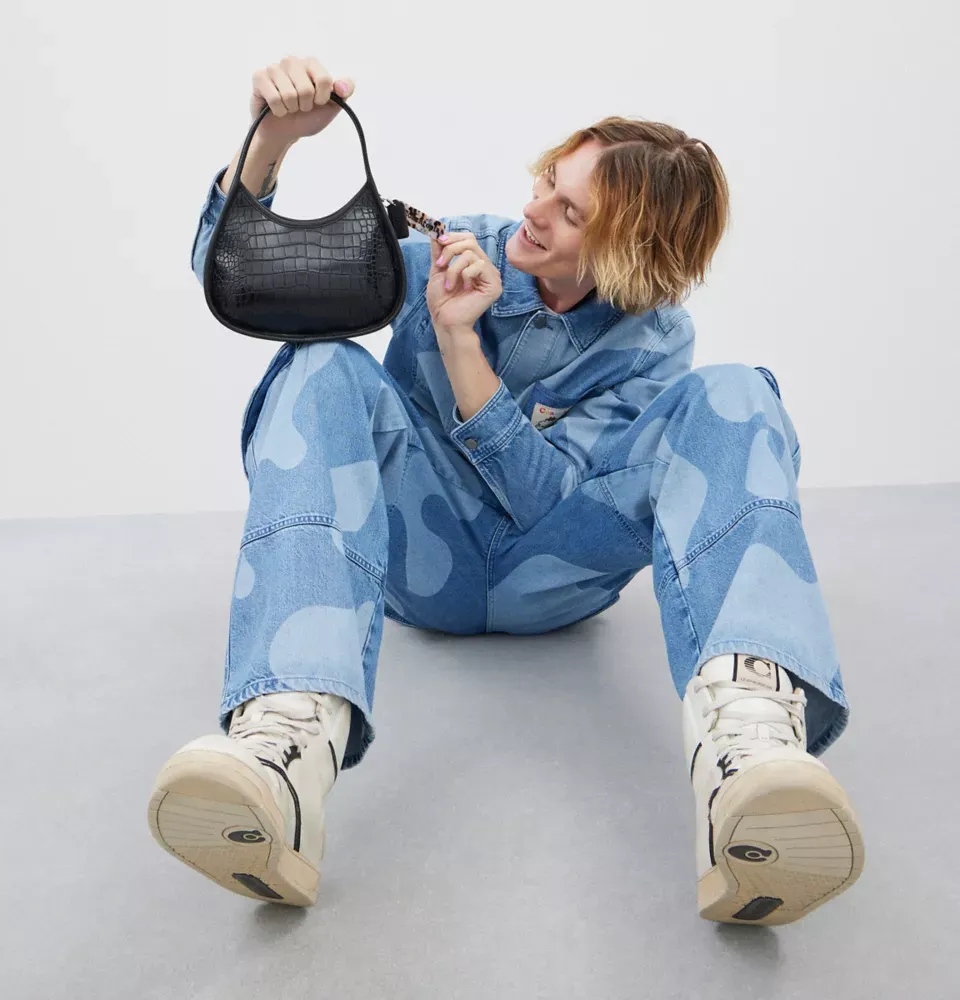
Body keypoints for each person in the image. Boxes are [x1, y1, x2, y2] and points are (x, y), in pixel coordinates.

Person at [148, 54, 864, 926]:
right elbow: (240, 282)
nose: (536, 209)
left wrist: (462, 346)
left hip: (554, 577)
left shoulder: (655, 341)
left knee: (739, 392)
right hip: (417, 561)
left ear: (633, 252)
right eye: (548, 181)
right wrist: (272, 145)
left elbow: (549, 505)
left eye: (572, 212)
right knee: (319, 363)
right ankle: (281, 747)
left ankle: (750, 757)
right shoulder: (456, 250)